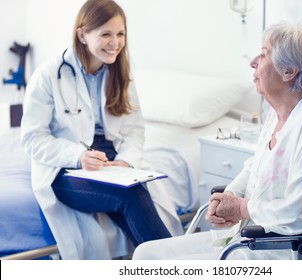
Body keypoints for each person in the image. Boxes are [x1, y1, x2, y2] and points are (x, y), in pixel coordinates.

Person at [132, 21, 302, 260]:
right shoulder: (278, 115)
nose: (253, 61)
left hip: (285, 251)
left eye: (264, 54)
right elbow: (254, 168)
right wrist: (230, 195)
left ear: (289, 71)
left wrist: (240, 208)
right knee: (145, 253)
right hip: (251, 239)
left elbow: (301, 212)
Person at [20, 0, 183, 260]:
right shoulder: (49, 74)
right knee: (130, 194)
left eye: (120, 34)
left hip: (111, 161)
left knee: (130, 190)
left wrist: (126, 162)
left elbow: (134, 131)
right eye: (105, 34)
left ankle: (158, 266)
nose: (115, 42)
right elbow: (32, 139)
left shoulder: (121, 75)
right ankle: (176, 266)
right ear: (82, 35)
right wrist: (77, 156)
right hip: (64, 167)